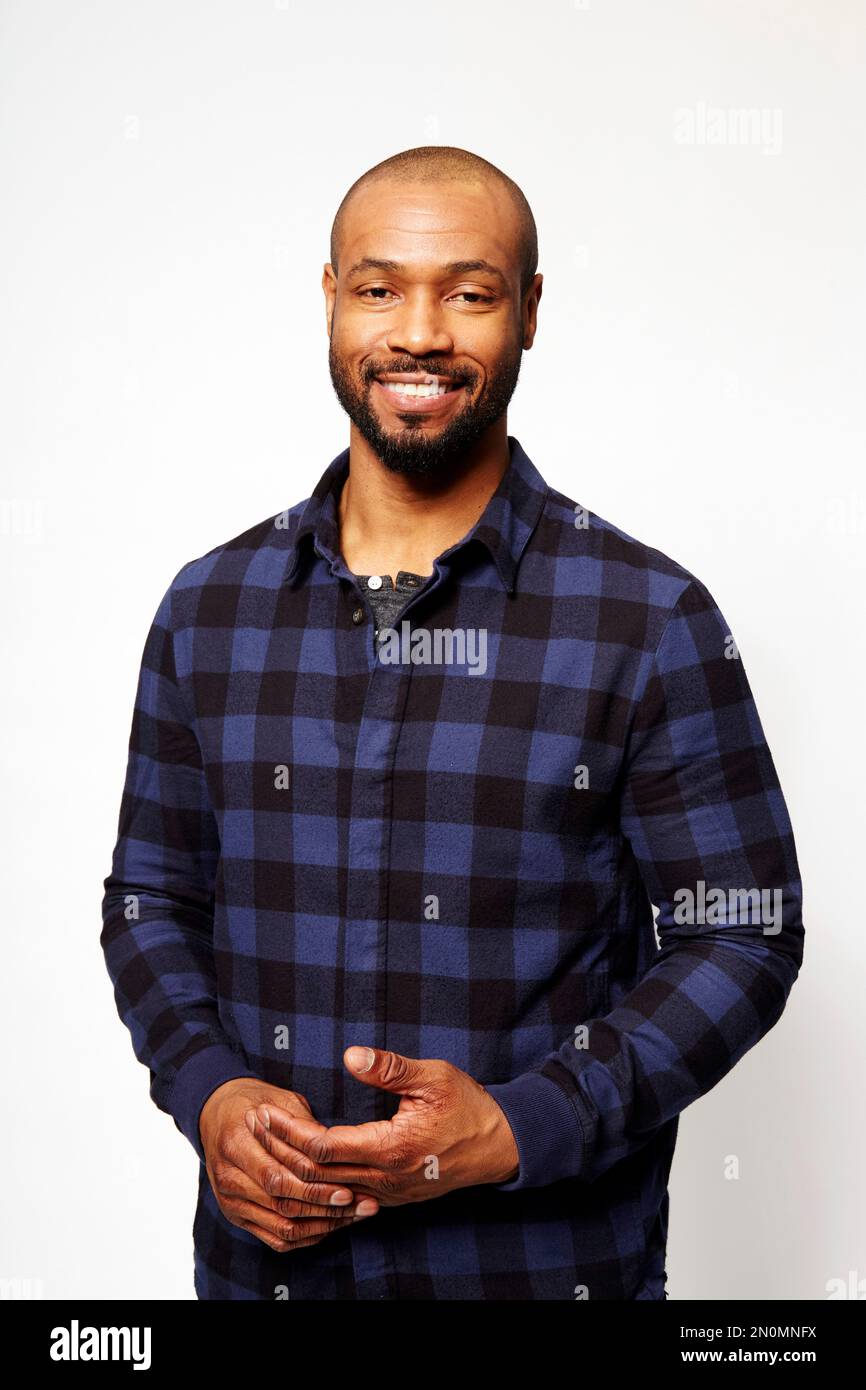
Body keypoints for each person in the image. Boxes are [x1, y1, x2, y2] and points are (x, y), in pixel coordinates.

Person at [101, 145, 804, 1300]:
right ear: (328, 297)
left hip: (537, 1272)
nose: (418, 333)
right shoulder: (207, 609)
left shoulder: (647, 617)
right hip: (265, 1277)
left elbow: (742, 934)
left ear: (528, 313)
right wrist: (208, 1090)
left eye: (468, 292)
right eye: (380, 288)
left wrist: (527, 1121)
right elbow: (151, 902)